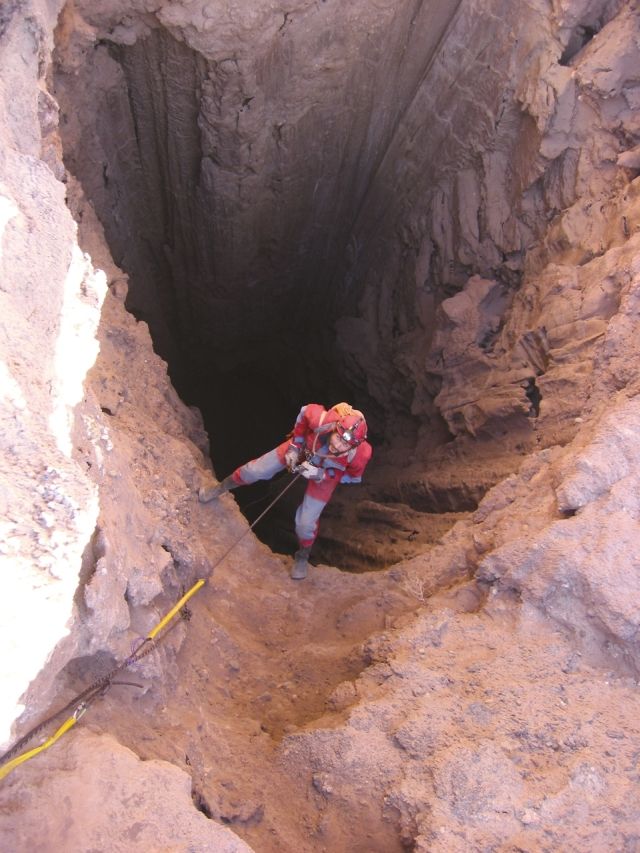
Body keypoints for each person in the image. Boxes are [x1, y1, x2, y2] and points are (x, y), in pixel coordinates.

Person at [198, 402, 372, 579]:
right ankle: (219, 489)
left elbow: (352, 477)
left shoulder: (360, 455)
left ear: (354, 446)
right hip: (305, 448)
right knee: (254, 470)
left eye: (345, 445)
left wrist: (322, 476)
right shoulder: (323, 420)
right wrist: (295, 447)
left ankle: (302, 556)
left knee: (305, 524)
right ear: (336, 428)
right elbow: (304, 412)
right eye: (338, 438)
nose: (338, 445)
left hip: (326, 473)